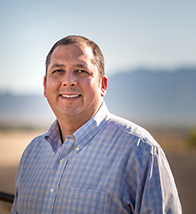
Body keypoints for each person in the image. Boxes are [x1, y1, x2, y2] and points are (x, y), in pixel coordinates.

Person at [11, 35, 182, 213]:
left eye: (81, 71)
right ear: (45, 85)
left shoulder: (139, 150)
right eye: (58, 71)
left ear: (103, 85)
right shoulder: (32, 153)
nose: (68, 80)